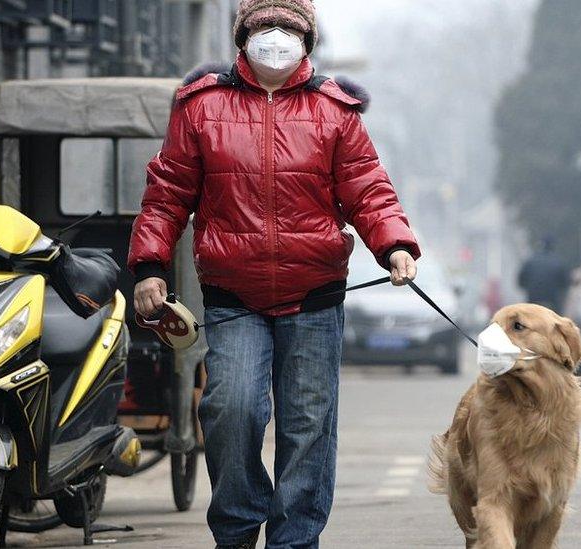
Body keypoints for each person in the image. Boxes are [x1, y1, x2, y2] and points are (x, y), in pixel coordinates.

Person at [127, 1, 421, 546]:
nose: (276, 37)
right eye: (265, 26)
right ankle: (237, 531)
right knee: (231, 411)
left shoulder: (336, 111)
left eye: (288, 27)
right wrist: (149, 265)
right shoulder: (201, 106)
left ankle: (295, 540)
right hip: (233, 297)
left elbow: (369, 190)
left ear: (307, 38)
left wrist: (395, 244)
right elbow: (166, 194)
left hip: (314, 297)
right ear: (243, 36)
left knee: (308, 427)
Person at [518, 238, 568, 312]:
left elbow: (520, 282)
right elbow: (565, 284)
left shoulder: (530, 262)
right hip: (552, 302)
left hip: (533, 301)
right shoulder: (559, 263)